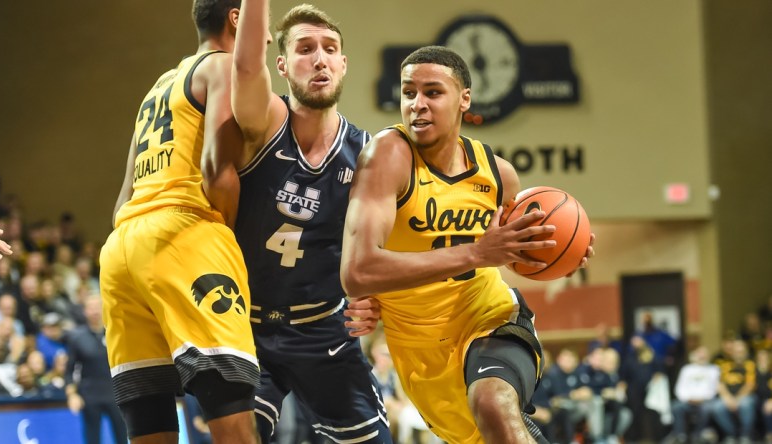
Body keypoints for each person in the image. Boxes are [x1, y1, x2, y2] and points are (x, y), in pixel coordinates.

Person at [340, 45, 593, 443]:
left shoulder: (498, 175)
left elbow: (516, 250)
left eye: (433, 92)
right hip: (420, 348)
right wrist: (476, 252)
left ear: (464, 99)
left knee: (493, 403)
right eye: (409, 93)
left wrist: (563, 248)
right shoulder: (388, 156)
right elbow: (357, 272)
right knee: (489, 433)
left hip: (491, 316)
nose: (417, 105)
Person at [98, 1, 260, 442]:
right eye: (259, 26)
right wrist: (223, 227)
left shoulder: (160, 85)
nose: (264, 38)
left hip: (121, 250)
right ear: (236, 18)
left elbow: (122, 197)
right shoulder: (223, 66)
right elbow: (216, 170)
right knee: (233, 417)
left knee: (148, 421)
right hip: (183, 233)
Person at [230, 1, 389, 442]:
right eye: (304, 48)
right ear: (280, 65)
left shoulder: (369, 152)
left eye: (329, 48)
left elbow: (385, 243)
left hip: (324, 329)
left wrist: (374, 295)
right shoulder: (262, 124)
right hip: (247, 326)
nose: (319, 58)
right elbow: (244, 70)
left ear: (343, 64)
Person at [65, 296, 128, 444]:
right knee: (92, 438)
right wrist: (72, 395)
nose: (94, 311)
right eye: (90, 307)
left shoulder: (115, 332)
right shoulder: (77, 338)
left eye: (97, 306)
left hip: (116, 395)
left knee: (122, 437)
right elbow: (69, 371)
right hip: (89, 396)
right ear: (85, 311)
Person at [662, 345, 720, 444]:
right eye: (700, 354)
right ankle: (680, 435)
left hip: (705, 401)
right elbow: (679, 388)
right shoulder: (687, 369)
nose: (702, 357)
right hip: (687, 401)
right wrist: (688, 399)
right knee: (676, 406)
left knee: (707, 408)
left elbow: (714, 389)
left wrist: (702, 399)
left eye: (704, 355)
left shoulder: (714, 369)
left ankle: (698, 435)